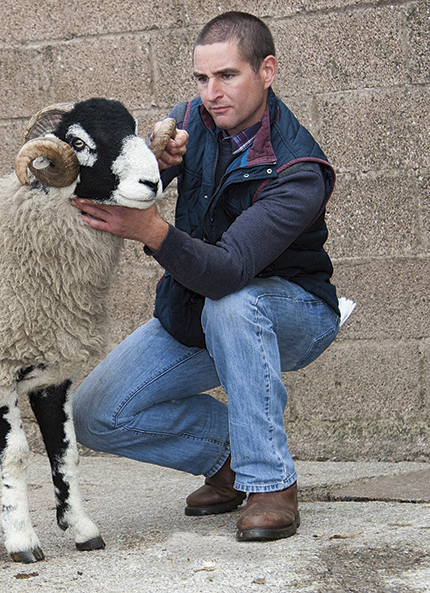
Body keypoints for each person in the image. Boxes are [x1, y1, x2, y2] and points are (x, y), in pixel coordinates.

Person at [70, 11, 340, 541]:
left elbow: (228, 272)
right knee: (95, 413)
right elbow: (134, 185)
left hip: (293, 312)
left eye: (228, 76)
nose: (211, 93)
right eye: (202, 78)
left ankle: (271, 484)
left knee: (235, 303)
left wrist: (149, 230)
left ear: (267, 70)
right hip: (198, 304)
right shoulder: (191, 119)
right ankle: (231, 461)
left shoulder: (299, 169)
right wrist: (154, 161)